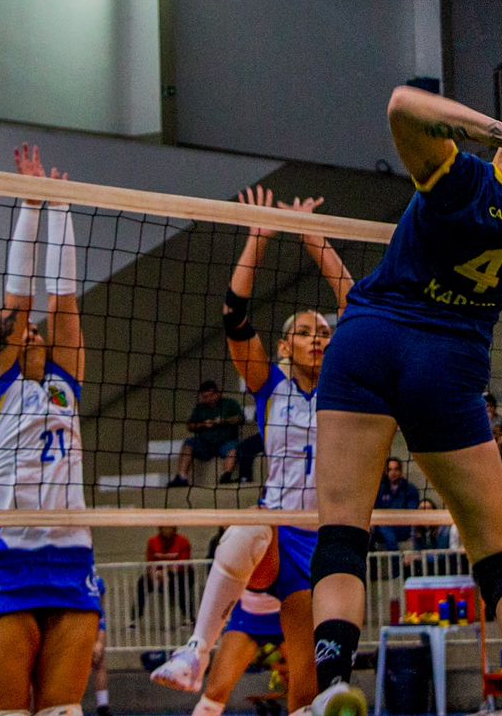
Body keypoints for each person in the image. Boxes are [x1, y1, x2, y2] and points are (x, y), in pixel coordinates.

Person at [306, 78, 502, 716]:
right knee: (497, 550)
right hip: (449, 365)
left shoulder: (458, 176)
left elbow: (402, 106)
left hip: (370, 342)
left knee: (341, 534)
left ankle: (331, 688)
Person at [154, 186, 353, 714]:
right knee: (248, 526)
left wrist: (315, 238)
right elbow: (234, 315)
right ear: (285, 345)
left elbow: (360, 306)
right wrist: (259, 237)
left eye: (325, 332)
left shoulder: (346, 382)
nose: (318, 339)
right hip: (275, 530)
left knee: (306, 692)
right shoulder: (270, 384)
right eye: (306, 333)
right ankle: (196, 650)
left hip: (321, 538)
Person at [0, 144, 99, 716]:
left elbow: (63, 302)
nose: (34, 333)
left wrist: (63, 210)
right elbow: (18, 305)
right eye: (22, 334)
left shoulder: (65, 383)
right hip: (4, 562)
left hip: (71, 562)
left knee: (64, 712)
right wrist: (32, 207)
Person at [190, 586, 287, 716]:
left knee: (305, 698)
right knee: (211, 699)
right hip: (248, 613)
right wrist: (198, 641)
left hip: (291, 603)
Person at [171, 380, 245, 487]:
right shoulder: (200, 408)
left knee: (234, 448)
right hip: (205, 444)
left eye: (211, 395)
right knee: (189, 443)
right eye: (205, 397)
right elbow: (190, 426)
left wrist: (224, 421)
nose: (209, 399)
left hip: (226, 442)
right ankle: (182, 477)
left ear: (218, 393)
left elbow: (240, 418)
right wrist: (204, 425)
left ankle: (226, 475)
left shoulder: (230, 403)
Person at [138, 526, 192, 621]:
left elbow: (183, 564)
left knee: (180, 586)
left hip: (180, 574)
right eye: (164, 528)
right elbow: (150, 562)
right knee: (142, 583)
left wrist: (166, 571)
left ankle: (189, 616)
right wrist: (155, 574)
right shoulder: (152, 542)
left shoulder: (183, 541)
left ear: (174, 529)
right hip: (158, 573)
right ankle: (137, 616)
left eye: (169, 528)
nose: (167, 530)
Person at [372, 458, 422, 551]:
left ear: (400, 471)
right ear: (386, 472)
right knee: (383, 528)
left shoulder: (410, 489)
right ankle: (396, 560)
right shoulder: (379, 489)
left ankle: (396, 559)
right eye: (390, 469)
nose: (393, 472)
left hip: (402, 527)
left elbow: (412, 510)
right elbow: (377, 509)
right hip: (383, 528)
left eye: (396, 469)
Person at [88, 574, 112, 716]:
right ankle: (102, 705)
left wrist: (99, 639)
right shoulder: (97, 580)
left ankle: (103, 706)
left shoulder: (97, 581)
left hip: (90, 624)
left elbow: (101, 610)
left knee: (100, 663)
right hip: (90, 624)